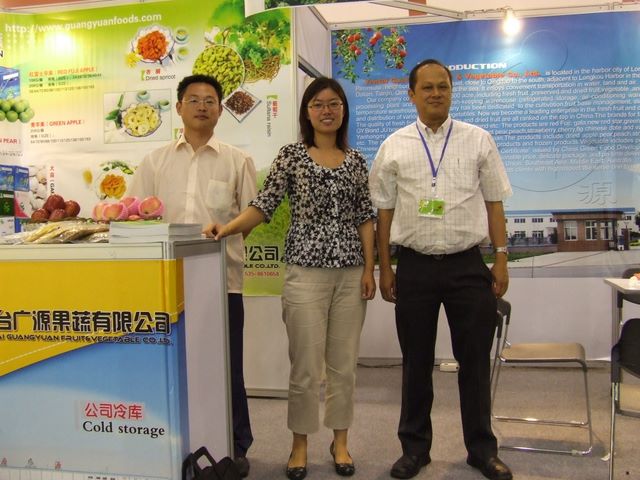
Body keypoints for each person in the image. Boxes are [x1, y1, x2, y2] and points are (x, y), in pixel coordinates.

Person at [204, 77, 376, 480]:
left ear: (343, 110)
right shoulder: (292, 155)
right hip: (305, 274)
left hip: (351, 275)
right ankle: (300, 445)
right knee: (305, 367)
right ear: (306, 112)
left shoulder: (355, 160)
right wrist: (228, 228)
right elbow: (264, 205)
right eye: (318, 104)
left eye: (334, 104)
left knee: (343, 367)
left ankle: (340, 441)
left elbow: (365, 216)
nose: (327, 111)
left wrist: (370, 268)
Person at [369, 59, 513, 480]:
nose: (436, 93)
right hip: (414, 267)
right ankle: (415, 449)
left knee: (475, 361)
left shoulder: (478, 139)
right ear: (411, 95)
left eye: (443, 87)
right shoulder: (393, 146)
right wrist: (385, 268)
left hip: (467, 266)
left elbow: (494, 204)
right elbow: (384, 212)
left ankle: (482, 450)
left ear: (452, 91)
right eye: (427, 88)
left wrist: (501, 257)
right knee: (416, 362)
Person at [127, 74, 256, 478]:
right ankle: (168, 442)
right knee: (167, 365)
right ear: (180, 107)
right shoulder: (154, 162)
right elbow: (136, 217)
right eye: (194, 99)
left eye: (210, 100)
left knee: (226, 367)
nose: (202, 106)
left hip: (221, 283)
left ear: (220, 110)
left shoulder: (237, 160)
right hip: (165, 285)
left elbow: (250, 218)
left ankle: (235, 445)